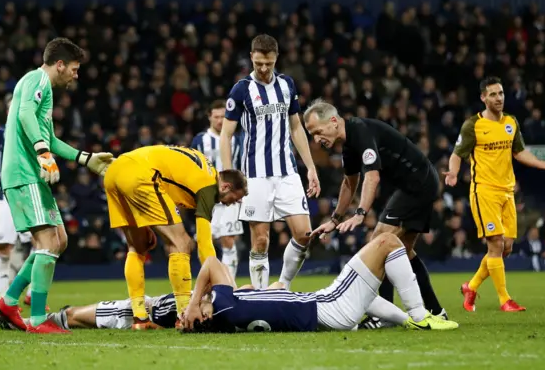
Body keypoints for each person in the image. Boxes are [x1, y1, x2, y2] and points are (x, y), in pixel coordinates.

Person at [0, 38, 115, 334]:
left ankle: (8, 303)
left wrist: (86, 158)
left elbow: (50, 137)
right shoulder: (37, 80)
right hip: (25, 172)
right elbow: (23, 117)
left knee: (58, 240)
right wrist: (42, 151)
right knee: (47, 243)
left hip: (33, 172)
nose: (76, 74)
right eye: (74, 69)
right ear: (59, 65)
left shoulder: (40, 89)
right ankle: (37, 320)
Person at [305, 99, 447, 320]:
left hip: (418, 183)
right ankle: (436, 311)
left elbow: (372, 176)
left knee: (379, 241)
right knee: (404, 252)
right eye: (312, 134)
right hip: (416, 183)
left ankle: (382, 316)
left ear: (333, 121)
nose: (316, 139)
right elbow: (349, 183)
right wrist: (334, 220)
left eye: (317, 131)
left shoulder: (359, 131)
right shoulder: (349, 144)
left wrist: (360, 213)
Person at [445, 76, 545, 312]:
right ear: (483, 98)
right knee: (495, 244)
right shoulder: (473, 125)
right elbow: (456, 154)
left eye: (501, 93)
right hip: (484, 190)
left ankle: (471, 286)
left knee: (506, 248)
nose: (498, 98)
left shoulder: (511, 123)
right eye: (493, 94)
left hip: (507, 192)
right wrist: (453, 173)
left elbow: (519, 152)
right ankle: (505, 300)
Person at [182, 233, 460, 333]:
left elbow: (231, 285)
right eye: (186, 315)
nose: (185, 309)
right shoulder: (221, 308)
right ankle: (420, 316)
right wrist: (195, 301)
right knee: (388, 241)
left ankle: (409, 321)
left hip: (328, 310)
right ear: (202, 316)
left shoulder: (228, 312)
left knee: (366, 295)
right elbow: (211, 264)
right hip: (329, 305)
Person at [103, 144, 247, 330]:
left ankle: (140, 318)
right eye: (235, 198)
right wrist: (217, 279)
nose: (232, 204)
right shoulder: (209, 187)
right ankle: (183, 314)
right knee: (182, 243)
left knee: (137, 247)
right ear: (226, 186)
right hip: (141, 174)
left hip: (114, 171)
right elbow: (204, 244)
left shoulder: (204, 168)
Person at [220, 34, 320, 290]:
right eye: (258, 64)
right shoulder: (241, 89)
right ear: (252, 58)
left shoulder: (287, 85)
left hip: (287, 172)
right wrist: (229, 174)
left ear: (276, 59)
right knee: (260, 241)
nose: (263, 70)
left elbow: (296, 127)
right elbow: (226, 135)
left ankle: (282, 285)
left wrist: (310, 167)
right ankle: (262, 296)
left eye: (268, 64)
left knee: (304, 235)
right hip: (255, 176)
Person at [0, 93, 33, 298]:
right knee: (4, 249)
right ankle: (4, 299)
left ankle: (32, 291)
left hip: (28, 197)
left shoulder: (31, 135)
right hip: (3, 199)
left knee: (42, 244)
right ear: (7, 110)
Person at [192, 99, 243, 278]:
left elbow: (240, 166)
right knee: (203, 241)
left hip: (230, 199)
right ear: (209, 118)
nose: (221, 120)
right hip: (208, 198)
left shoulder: (236, 140)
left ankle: (229, 283)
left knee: (228, 241)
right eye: (217, 117)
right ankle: (209, 279)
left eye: (223, 116)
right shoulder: (200, 141)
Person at [0, 293, 178, 331]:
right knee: (71, 314)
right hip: (144, 305)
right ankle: (18, 321)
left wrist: (150, 325)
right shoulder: (207, 295)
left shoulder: (209, 311)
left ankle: (14, 323)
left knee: (71, 315)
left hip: (136, 313)